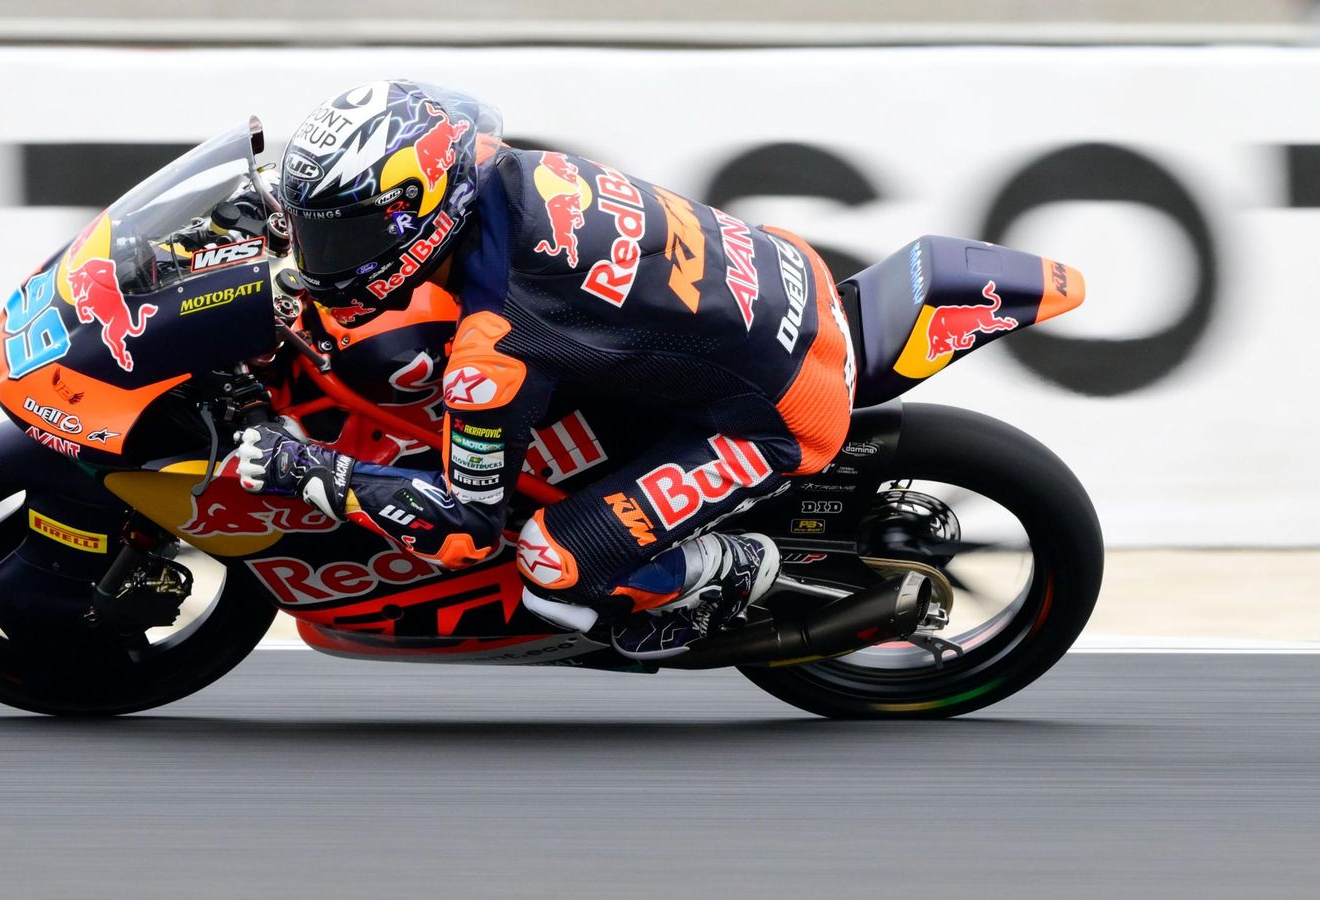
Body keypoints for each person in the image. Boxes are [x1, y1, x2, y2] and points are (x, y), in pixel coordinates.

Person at [238, 80, 856, 659]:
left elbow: (464, 532)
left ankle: (729, 566)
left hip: (784, 409)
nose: (318, 257)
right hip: (787, 268)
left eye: (340, 239)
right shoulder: (481, 160)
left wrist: (313, 470)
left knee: (551, 566)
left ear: (413, 218)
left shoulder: (495, 346)